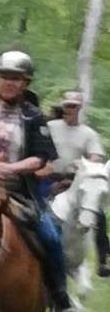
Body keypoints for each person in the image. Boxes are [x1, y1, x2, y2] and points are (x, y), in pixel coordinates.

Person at [0, 50, 82, 312]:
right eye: (4, 76)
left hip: (16, 193)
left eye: (16, 78)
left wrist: (11, 168)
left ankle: (60, 299)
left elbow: (41, 158)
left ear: (25, 83)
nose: (9, 82)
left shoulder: (33, 117)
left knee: (50, 237)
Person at [46, 86, 109, 272]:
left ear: (80, 107)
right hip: (48, 178)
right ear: (62, 106)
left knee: (97, 212)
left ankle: (103, 259)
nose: (70, 109)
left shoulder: (88, 133)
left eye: (73, 105)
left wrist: (83, 163)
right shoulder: (50, 127)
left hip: (76, 181)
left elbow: (96, 157)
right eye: (67, 105)